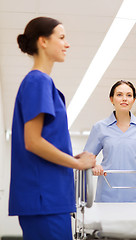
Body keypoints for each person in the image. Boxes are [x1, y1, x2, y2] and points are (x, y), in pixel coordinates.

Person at [8, 17, 96, 240]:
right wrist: (76, 163)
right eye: (62, 37)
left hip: (48, 198)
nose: (67, 44)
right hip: (44, 199)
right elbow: (33, 141)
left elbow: (43, 140)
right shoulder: (38, 81)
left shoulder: (41, 82)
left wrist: (71, 156)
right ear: (43, 42)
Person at [84, 80, 136, 202]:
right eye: (119, 95)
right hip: (107, 195)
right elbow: (86, 159)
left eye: (129, 95)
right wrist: (94, 166)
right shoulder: (100, 127)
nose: (124, 99)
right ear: (111, 99)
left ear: (133, 100)